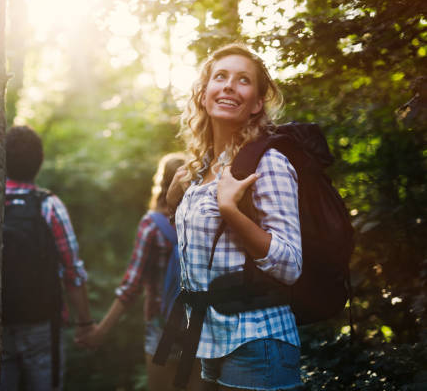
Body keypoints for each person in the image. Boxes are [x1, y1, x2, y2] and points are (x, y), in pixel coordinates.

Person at [165, 43, 304, 390]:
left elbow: (290, 265)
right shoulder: (198, 170)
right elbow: (202, 250)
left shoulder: (267, 163)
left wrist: (231, 210)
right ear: (204, 93)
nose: (229, 85)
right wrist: (173, 204)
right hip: (211, 341)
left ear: (257, 103)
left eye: (243, 80)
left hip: (259, 341)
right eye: (220, 77)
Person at [76, 152, 202, 391]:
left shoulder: (152, 225)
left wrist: (100, 331)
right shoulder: (203, 219)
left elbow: (131, 286)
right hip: (201, 327)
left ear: (162, 182)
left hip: (162, 327)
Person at [1, 125, 95, 391]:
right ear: (39, 161)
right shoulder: (49, 205)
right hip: (42, 325)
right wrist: (85, 323)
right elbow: (72, 271)